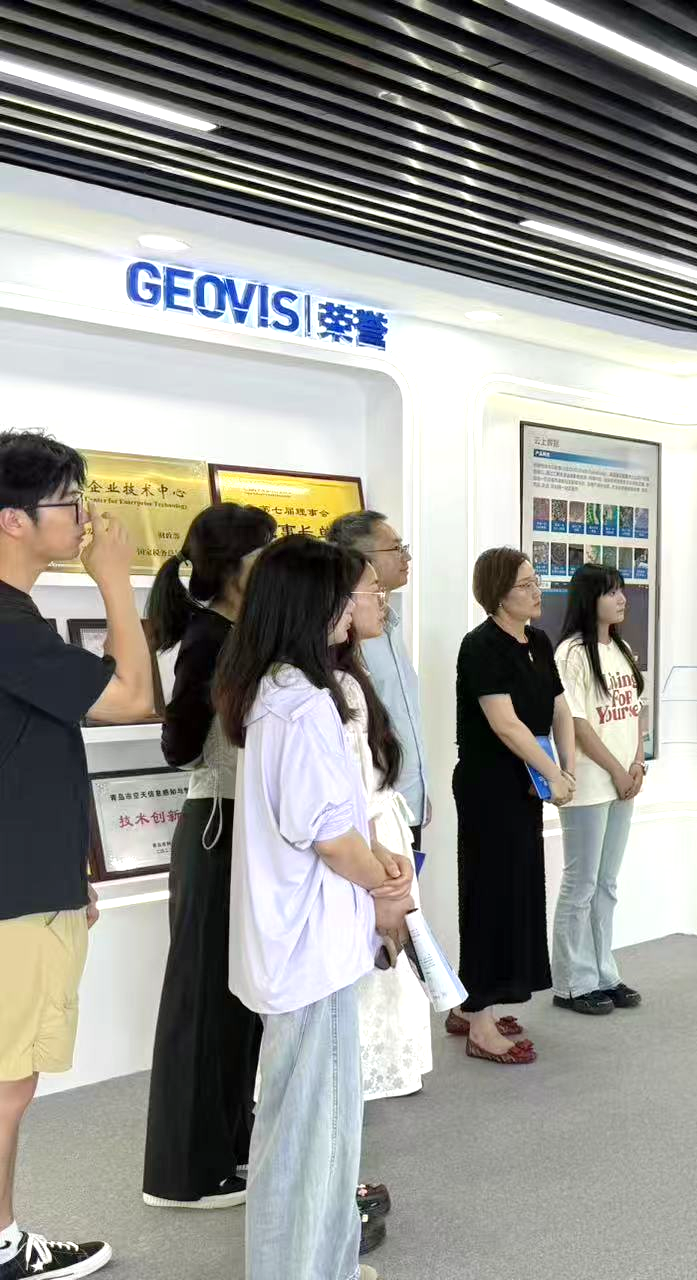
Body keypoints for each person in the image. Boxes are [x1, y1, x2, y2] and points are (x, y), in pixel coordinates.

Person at [216, 535, 413, 1280]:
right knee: (314, 1134)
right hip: (310, 948)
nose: (352, 607)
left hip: (295, 943)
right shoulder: (302, 704)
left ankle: (322, 1265)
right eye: (342, 594)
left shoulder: (276, 691)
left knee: (306, 1128)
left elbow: (333, 824)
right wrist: (384, 883)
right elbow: (329, 836)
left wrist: (374, 860)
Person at [0, 431, 157, 1280]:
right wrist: (114, 582)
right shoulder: (7, 622)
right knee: (7, 1080)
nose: (86, 518)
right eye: (69, 502)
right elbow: (131, 697)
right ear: (13, 520)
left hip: (30, 875)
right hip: (13, 892)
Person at [141, 502, 276, 1212]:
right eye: (263, 555)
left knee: (237, 1004)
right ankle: (186, 1176)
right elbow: (179, 745)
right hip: (215, 830)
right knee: (202, 1004)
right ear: (232, 567)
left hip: (241, 832)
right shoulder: (207, 639)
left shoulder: (242, 636)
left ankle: (230, 1146)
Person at [449, 548, 576, 1064]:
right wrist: (553, 774)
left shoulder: (538, 641)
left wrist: (566, 769)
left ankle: (474, 1003)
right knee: (488, 896)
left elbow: (559, 709)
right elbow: (505, 725)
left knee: (517, 893)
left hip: (528, 785)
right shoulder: (480, 645)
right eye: (525, 584)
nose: (536, 590)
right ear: (499, 595)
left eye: (536, 580)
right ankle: (478, 1021)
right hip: (490, 787)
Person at [336, 558, 430, 1252]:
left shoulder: (346, 676)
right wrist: (384, 890)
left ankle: (339, 1182)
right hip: (362, 865)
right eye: (371, 589)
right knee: (348, 1027)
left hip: (376, 852)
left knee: (360, 1022)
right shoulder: (327, 689)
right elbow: (337, 816)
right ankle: (332, 1195)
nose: (383, 598)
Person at [552, 563, 646, 1016]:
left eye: (621, 590)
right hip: (591, 784)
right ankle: (572, 982)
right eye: (612, 592)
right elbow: (579, 724)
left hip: (623, 783)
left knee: (606, 883)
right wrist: (616, 771)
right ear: (590, 600)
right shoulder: (571, 654)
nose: (622, 599)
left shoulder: (622, 648)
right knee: (582, 883)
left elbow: (636, 711)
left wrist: (637, 764)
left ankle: (604, 973)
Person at [326, 511, 429, 871]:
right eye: (396, 548)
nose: (407, 557)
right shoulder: (344, 643)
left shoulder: (390, 626)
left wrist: (421, 790)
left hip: (404, 801)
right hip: (369, 811)